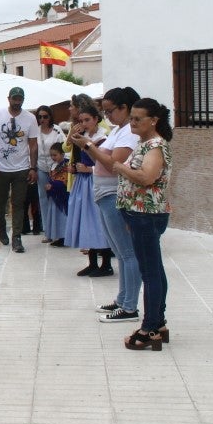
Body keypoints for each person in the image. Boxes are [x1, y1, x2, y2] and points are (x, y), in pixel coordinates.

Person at [75, 87, 142, 322]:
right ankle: (123, 299)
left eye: (110, 111)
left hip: (114, 192)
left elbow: (114, 163)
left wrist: (88, 145)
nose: (108, 116)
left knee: (127, 251)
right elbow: (101, 160)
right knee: (119, 251)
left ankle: (130, 306)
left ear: (125, 108)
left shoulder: (129, 134)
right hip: (104, 192)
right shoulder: (118, 130)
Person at [113, 98, 173, 350]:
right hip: (139, 214)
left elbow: (147, 177)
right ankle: (158, 322)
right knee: (154, 269)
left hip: (146, 215)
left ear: (154, 121)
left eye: (138, 119)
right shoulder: (145, 143)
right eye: (132, 118)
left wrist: (119, 167)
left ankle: (149, 329)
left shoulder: (156, 146)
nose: (133, 122)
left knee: (149, 273)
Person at [0, 86, 38, 253]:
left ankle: (17, 237)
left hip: (21, 168)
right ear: (9, 99)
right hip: (1, 168)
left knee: (18, 203)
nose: (17, 101)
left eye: (20, 98)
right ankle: (1, 229)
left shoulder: (30, 118)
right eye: (14, 98)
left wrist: (32, 167)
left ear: (23, 99)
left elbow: (33, 145)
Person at [65, 103, 113, 276]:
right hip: (83, 182)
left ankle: (106, 263)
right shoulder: (82, 136)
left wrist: (89, 169)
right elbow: (67, 147)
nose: (84, 123)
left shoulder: (103, 138)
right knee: (87, 221)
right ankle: (92, 262)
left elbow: (107, 163)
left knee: (99, 221)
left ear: (96, 119)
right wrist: (75, 168)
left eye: (87, 120)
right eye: (81, 120)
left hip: (96, 181)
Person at [33, 105, 65, 244]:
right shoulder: (35, 131)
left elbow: (64, 148)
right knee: (43, 198)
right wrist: (32, 167)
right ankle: (48, 231)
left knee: (57, 197)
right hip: (41, 166)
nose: (42, 119)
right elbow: (33, 150)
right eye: (40, 117)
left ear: (50, 116)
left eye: (45, 116)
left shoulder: (57, 130)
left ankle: (60, 230)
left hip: (56, 167)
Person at [43, 143, 69, 246]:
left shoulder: (66, 164)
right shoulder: (53, 166)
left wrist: (52, 185)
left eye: (55, 155)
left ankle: (65, 237)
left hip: (62, 196)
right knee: (55, 216)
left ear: (62, 154)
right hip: (54, 196)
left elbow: (65, 180)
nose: (53, 157)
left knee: (62, 216)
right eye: (51, 155)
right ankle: (59, 236)